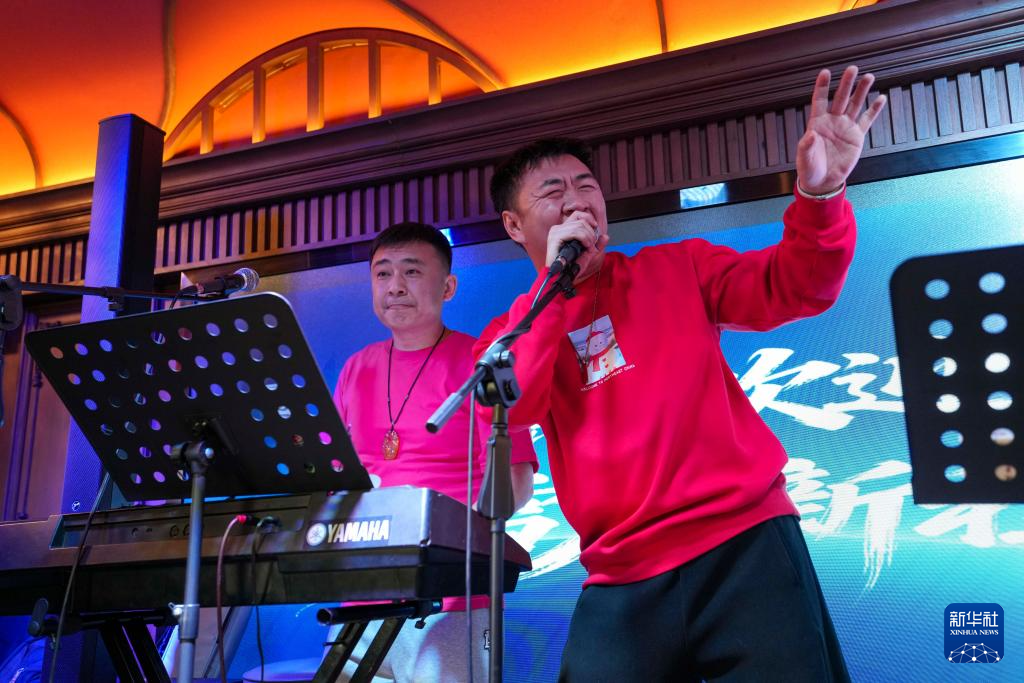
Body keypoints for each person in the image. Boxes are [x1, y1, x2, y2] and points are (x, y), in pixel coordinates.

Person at [475, 66, 887, 682]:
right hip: (621, 571)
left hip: (744, 541)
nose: (578, 201)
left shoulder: (677, 268)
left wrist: (821, 195)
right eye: (553, 191)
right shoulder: (515, 328)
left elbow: (795, 287)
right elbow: (512, 405)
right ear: (514, 225)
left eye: (587, 186)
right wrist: (554, 291)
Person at [332, 220, 537, 682]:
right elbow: (335, 479)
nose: (394, 286)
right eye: (382, 274)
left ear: (448, 287)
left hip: (452, 595)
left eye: (411, 271)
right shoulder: (355, 368)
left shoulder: (482, 363)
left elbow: (518, 484)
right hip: (360, 589)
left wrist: (447, 529)